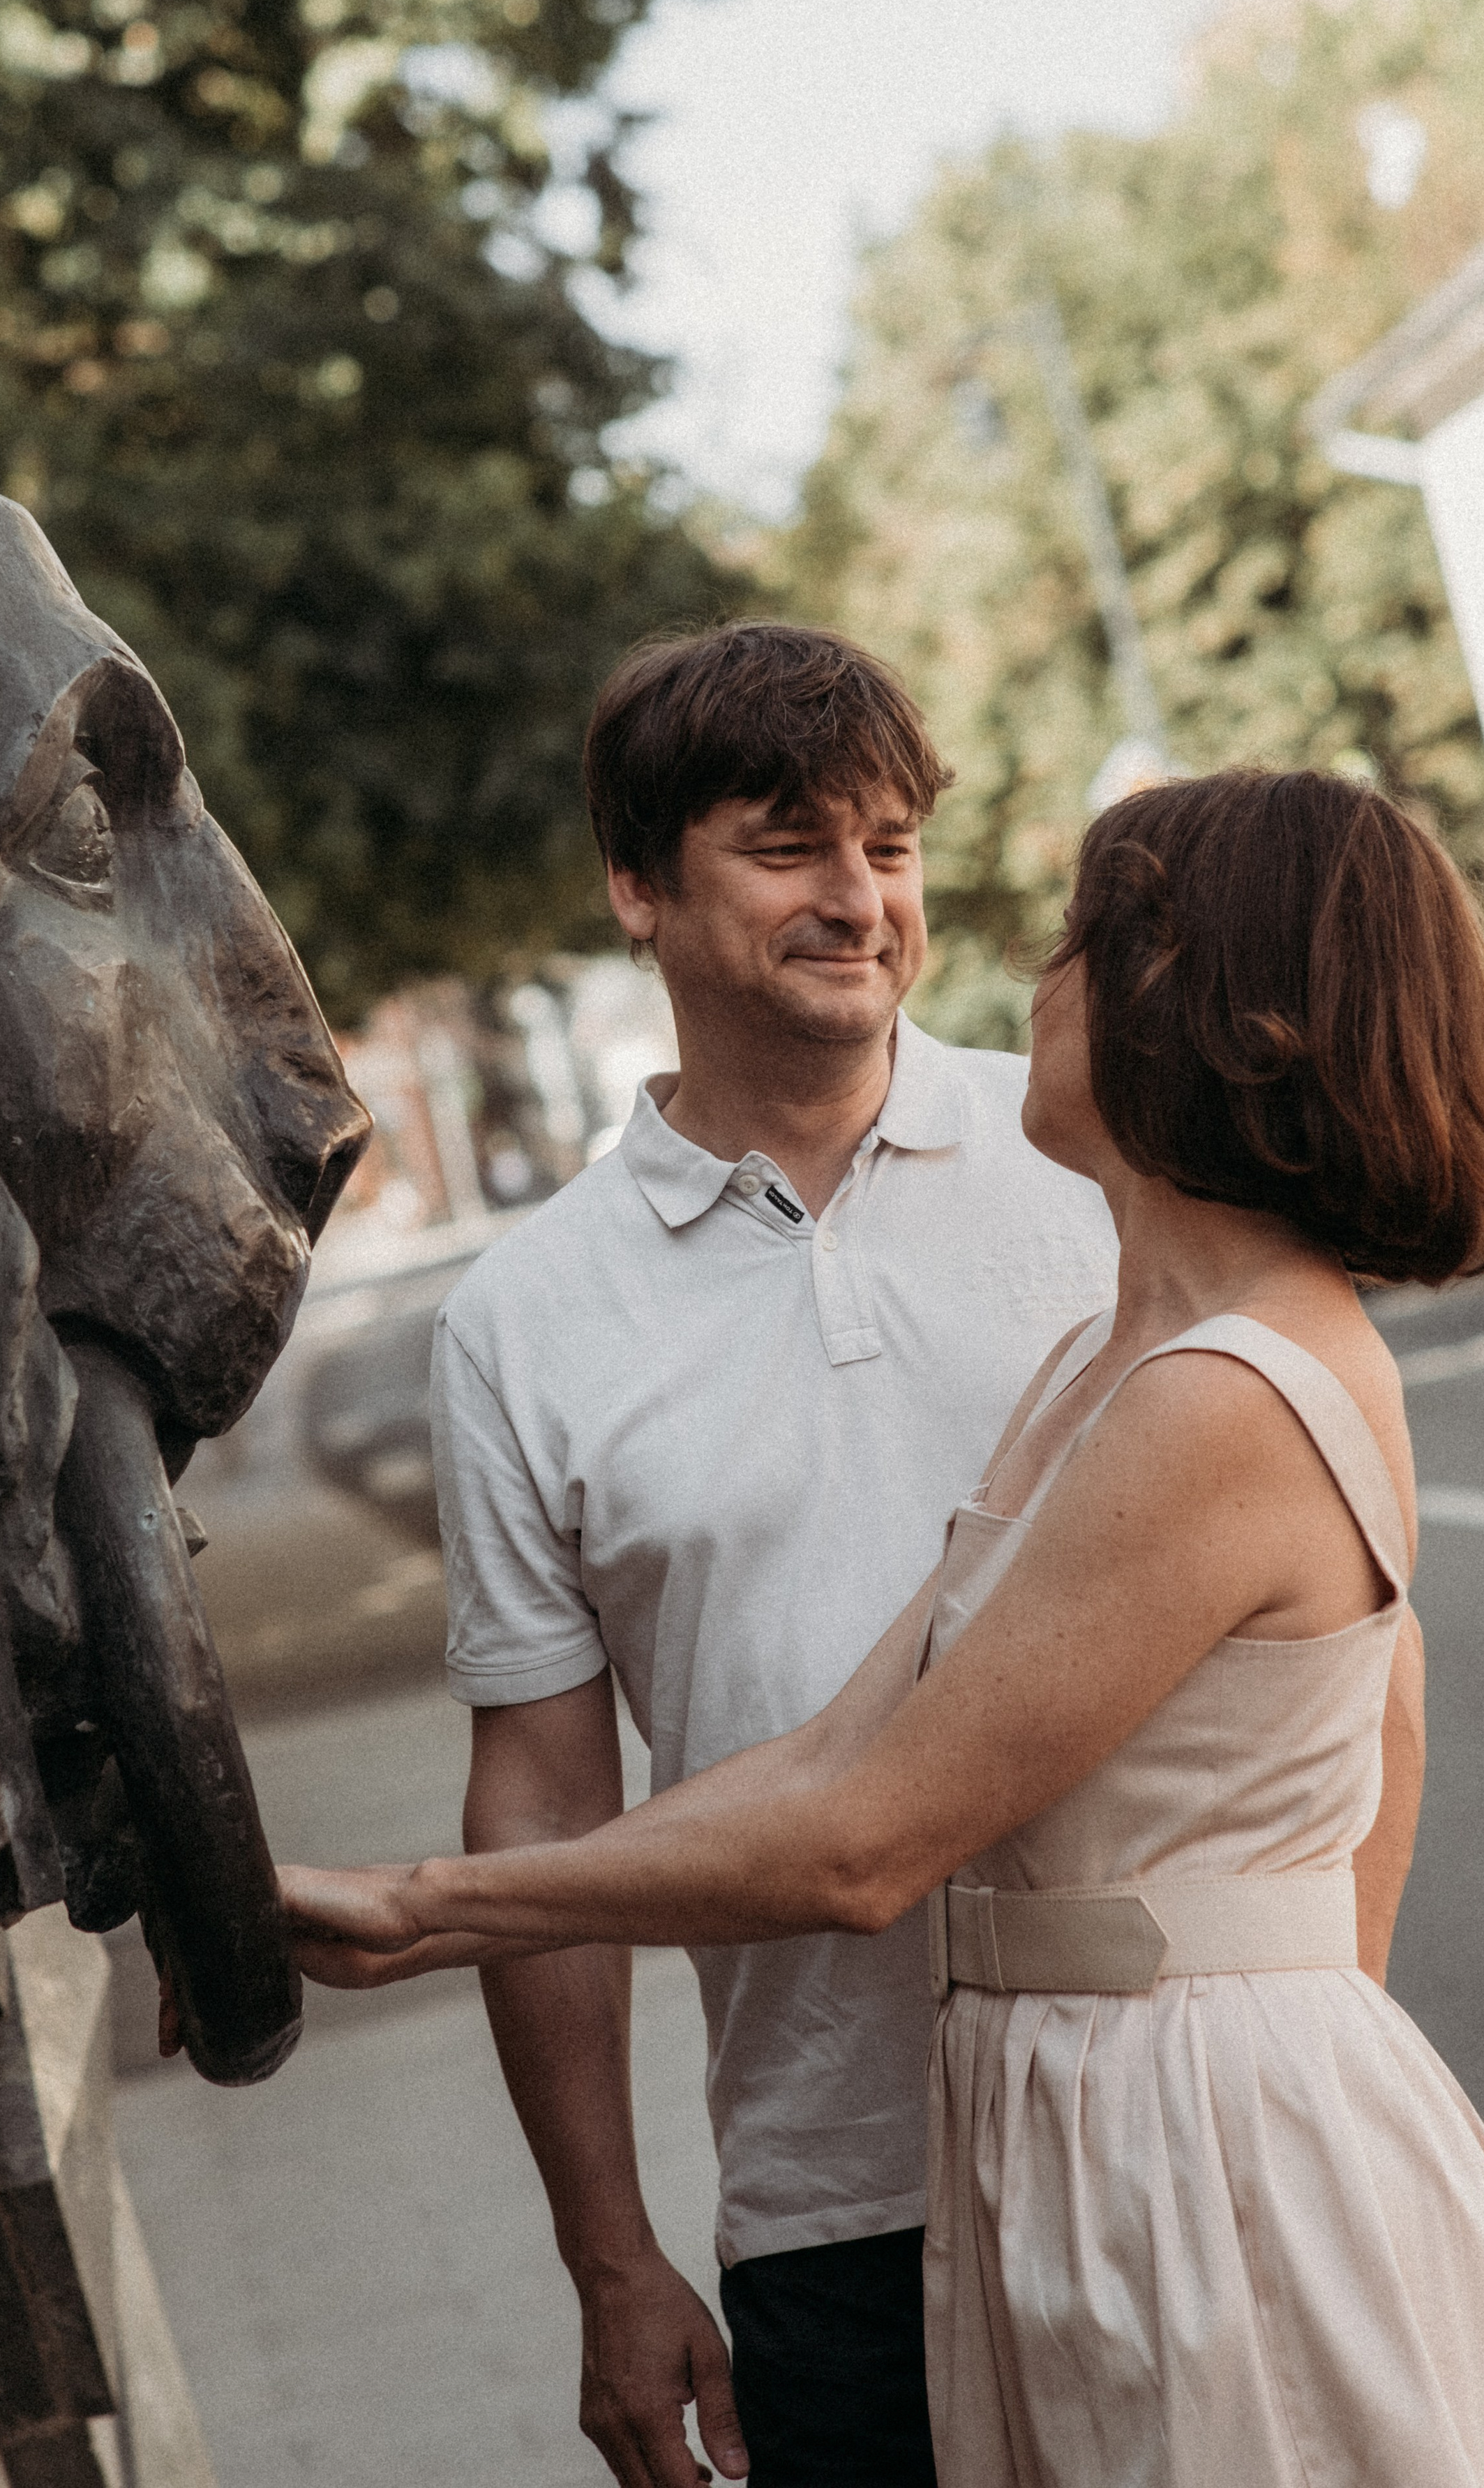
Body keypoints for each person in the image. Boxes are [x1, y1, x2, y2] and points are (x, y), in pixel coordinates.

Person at [285, 767, 1484, 2488]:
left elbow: (866, 1844)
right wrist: (416, 1916)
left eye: (1092, 937)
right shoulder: (1098, 1369)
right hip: (1055, 2144)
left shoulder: (1225, 1395)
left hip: (1199, 2147)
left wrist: (420, 1909)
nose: (1039, 972)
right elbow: (828, 1757)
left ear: (1205, 1012)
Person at [310, 623, 1116, 2488]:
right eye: (790, 846)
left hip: (1149, 2130)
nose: (860, 899)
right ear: (638, 887)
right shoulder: (525, 1320)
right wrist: (611, 2259)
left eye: (891, 846)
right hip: (828, 2213)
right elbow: (543, 1806)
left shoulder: (1087, 1160)